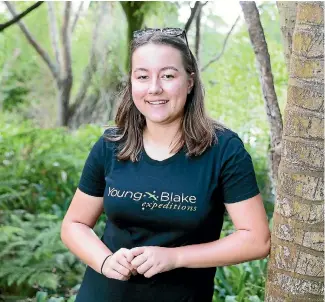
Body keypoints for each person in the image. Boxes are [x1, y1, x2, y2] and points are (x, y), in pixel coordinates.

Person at [61, 27, 271, 302]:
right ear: (132, 83)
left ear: (190, 81)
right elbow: (74, 224)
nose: (154, 88)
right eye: (142, 76)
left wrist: (175, 257)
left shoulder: (224, 151)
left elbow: (257, 239)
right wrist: (105, 261)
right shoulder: (111, 145)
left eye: (168, 75)